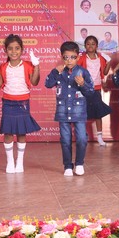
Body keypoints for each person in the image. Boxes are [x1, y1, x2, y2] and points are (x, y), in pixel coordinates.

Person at [0, 34, 41, 173]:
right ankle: (10, 162)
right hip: (8, 103)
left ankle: (19, 162)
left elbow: (35, 82)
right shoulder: (3, 67)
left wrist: (37, 66)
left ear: (22, 50)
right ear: (5, 50)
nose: (14, 51)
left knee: (21, 132)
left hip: (23, 103)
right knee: (8, 133)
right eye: (10, 48)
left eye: (17, 48)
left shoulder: (28, 65)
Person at [45, 41, 94, 176]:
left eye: (73, 57)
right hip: (63, 113)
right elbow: (48, 84)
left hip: (79, 113)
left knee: (82, 139)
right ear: (62, 57)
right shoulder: (58, 72)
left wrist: (83, 84)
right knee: (65, 140)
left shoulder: (83, 72)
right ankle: (67, 166)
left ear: (78, 57)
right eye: (66, 57)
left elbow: (90, 92)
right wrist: (55, 72)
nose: (69, 60)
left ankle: (79, 164)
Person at [77, 36, 112, 146]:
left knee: (98, 114)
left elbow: (105, 72)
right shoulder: (82, 58)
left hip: (96, 89)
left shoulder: (100, 58)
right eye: (88, 44)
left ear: (96, 46)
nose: (90, 46)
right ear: (85, 46)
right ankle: (83, 136)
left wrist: (109, 61)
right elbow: (76, 71)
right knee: (83, 113)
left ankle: (100, 138)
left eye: (93, 44)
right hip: (84, 89)